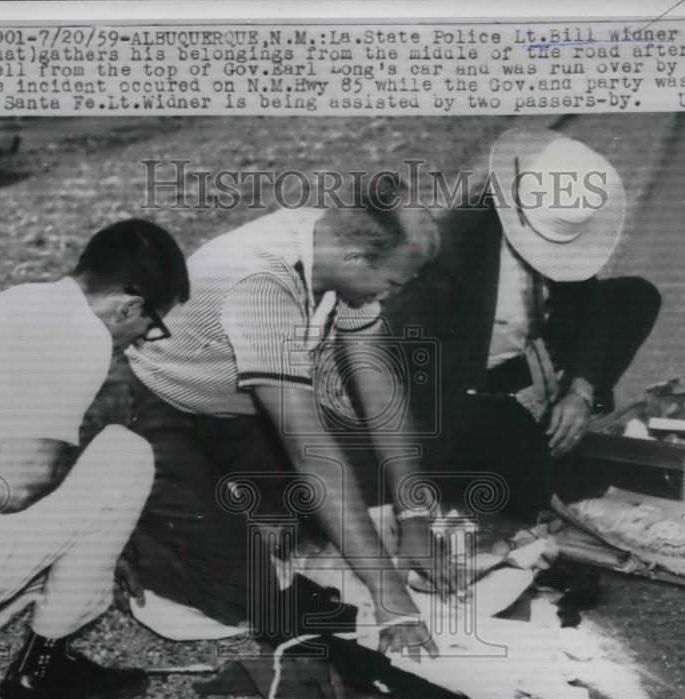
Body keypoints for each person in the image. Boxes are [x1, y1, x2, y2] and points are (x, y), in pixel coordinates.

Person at [115, 180, 451, 659]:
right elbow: (310, 453)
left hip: (238, 411)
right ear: (356, 259)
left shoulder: (338, 243)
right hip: (159, 404)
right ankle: (116, 529)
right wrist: (390, 597)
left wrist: (414, 515)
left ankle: (213, 501)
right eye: (392, 284)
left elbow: (380, 388)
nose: (389, 295)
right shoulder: (264, 282)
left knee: (312, 538)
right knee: (247, 596)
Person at [0, 219, 190, 699]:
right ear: (129, 306)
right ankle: (43, 672)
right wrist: (90, 517)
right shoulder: (83, 335)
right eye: (151, 327)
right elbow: (17, 487)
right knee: (123, 454)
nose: (141, 340)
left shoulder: (13, 304)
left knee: (53, 505)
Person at [379, 127, 662, 516]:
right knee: (556, 490)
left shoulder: (563, 228)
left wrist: (580, 390)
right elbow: (397, 362)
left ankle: (564, 419)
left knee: (635, 296)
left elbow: (591, 311)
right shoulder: (456, 246)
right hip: (458, 387)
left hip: (523, 356)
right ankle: (515, 443)